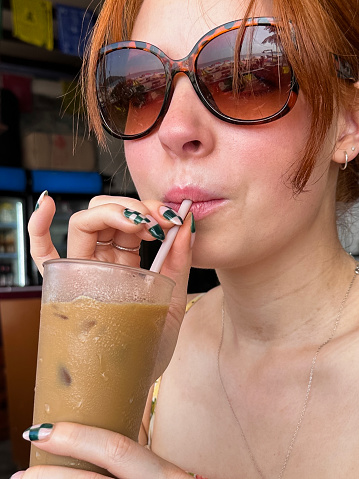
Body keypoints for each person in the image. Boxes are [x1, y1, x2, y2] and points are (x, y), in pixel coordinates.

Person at [14, 0, 359, 477]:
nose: (175, 131)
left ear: (349, 121)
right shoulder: (152, 350)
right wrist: (99, 369)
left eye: (244, 78)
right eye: (138, 88)